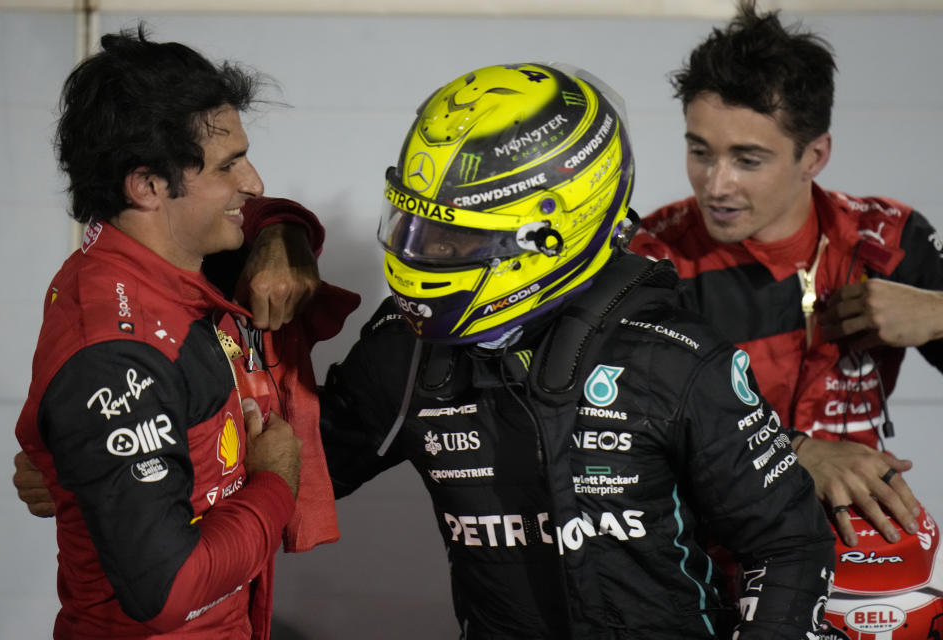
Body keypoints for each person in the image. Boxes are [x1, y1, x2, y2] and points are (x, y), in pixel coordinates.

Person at [314, 62, 834, 638]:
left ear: (556, 228)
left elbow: (788, 545)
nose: (425, 255)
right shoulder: (404, 349)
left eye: (460, 236)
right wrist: (271, 231)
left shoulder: (677, 357)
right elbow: (275, 480)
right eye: (416, 227)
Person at [13, 26, 354, 639]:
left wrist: (283, 236)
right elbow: (167, 593)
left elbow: (266, 213)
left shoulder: (189, 273)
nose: (251, 181)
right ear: (145, 186)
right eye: (228, 165)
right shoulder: (117, 351)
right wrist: (276, 478)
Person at [630, 0, 943, 551]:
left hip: (852, 547)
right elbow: (634, 425)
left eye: (747, 160)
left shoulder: (888, 240)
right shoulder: (654, 260)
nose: (716, 185)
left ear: (814, 155)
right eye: (700, 151)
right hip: (703, 560)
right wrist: (794, 449)